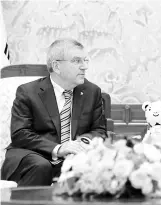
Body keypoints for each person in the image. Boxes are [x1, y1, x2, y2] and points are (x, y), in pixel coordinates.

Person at [1, 38, 107, 186]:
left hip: (74, 156)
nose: (84, 67)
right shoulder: (28, 92)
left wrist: (81, 144)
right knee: (41, 166)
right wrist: (58, 148)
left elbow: (99, 131)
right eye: (77, 61)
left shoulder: (92, 91)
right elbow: (20, 133)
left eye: (85, 60)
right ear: (57, 66)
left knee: (93, 167)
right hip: (33, 153)